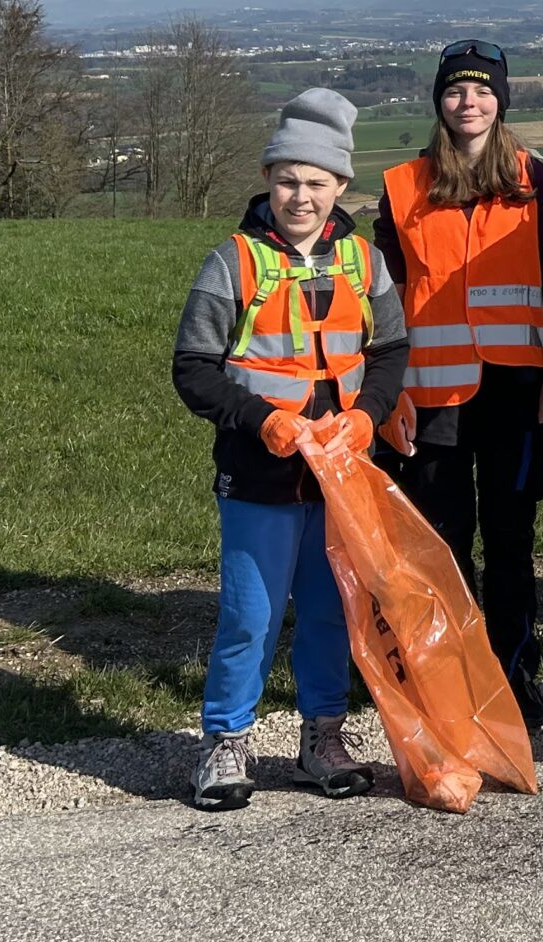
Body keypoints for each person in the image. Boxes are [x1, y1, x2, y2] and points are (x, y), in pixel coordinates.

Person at [173, 89, 408, 810]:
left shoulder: (364, 262)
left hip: (341, 476)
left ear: (340, 187)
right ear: (267, 180)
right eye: (286, 180)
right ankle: (224, 744)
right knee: (251, 616)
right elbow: (193, 369)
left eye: (315, 182)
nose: (299, 196)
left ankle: (322, 740)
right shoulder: (232, 262)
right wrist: (260, 422)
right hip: (259, 476)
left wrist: (368, 416)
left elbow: (391, 351)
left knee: (333, 612)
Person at [372, 38, 543, 730]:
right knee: (443, 545)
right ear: (439, 100)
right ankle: (453, 681)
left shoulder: (532, 178)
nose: (469, 102)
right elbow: (385, 300)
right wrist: (390, 392)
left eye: (483, 90)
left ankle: (515, 679)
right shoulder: (403, 185)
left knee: (511, 542)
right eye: (457, 90)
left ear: (502, 100)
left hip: (517, 392)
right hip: (431, 396)